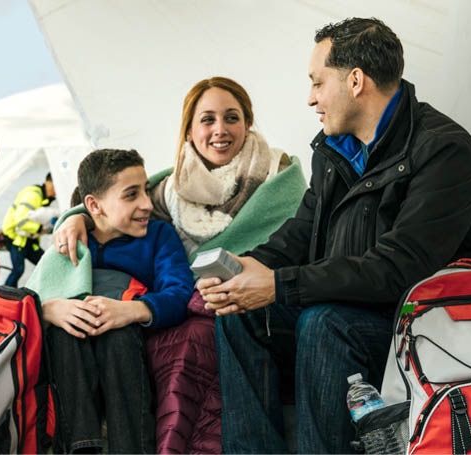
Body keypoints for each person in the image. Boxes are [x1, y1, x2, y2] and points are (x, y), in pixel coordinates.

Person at [197, 17, 471, 453]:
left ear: (355, 81)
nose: (311, 98)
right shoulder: (333, 151)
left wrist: (280, 285)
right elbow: (299, 232)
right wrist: (245, 271)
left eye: (318, 82)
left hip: (424, 329)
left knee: (324, 323)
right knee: (241, 312)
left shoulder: (444, 151)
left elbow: (398, 270)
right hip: (356, 308)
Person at [53, 77, 306, 453]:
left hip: (261, 304)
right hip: (189, 306)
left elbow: (301, 244)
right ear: (189, 129)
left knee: (191, 342)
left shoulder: (278, 177)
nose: (220, 129)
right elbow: (113, 207)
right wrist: (75, 217)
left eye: (231, 117)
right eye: (207, 119)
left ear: (248, 122)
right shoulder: (170, 189)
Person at [38, 148, 193, 453]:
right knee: (64, 332)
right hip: (73, 353)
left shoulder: (159, 236)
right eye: (131, 195)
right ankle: (82, 448)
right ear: (94, 205)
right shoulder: (69, 240)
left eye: (146, 191)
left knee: (118, 335)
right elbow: (31, 294)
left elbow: (179, 293)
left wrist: (131, 311)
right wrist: (50, 309)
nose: (147, 204)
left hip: (130, 347)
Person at [1, 172, 57, 287]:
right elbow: (20, 221)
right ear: (47, 182)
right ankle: (2, 298)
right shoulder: (33, 195)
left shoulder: (44, 198)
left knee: (46, 265)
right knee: (18, 270)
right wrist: (40, 228)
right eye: (54, 186)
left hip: (28, 240)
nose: (56, 191)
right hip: (16, 239)